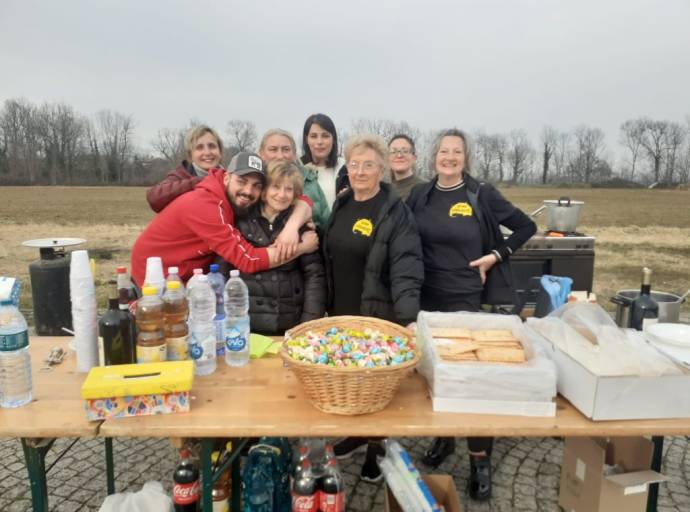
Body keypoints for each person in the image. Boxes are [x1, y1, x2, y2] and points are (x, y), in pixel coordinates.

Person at [406, 128, 537, 501]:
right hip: (427, 297)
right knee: (433, 371)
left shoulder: (481, 194)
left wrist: (496, 255)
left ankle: (479, 457)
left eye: (456, 152)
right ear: (434, 157)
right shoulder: (420, 195)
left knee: (471, 379)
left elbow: (526, 227)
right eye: (443, 151)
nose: (449, 157)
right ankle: (444, 438)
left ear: (465, 158)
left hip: (466, 297)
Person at [324, 134, 423, 483]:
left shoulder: (396, 212)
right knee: (351, 379)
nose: (360, 171)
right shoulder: (343, 202)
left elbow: (406, 267)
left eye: (368, 165)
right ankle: (356, 435)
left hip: (378, 313)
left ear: (381, 169)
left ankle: (376, 445)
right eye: (354, 164)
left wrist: (409, 318)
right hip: (341, 311)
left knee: (375, 385)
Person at [131, 152, 317, 286]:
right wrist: (302, 248)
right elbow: (249, 259)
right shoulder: (207, 205)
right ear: (227, 178)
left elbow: (303, 200)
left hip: (190, 273)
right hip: (158, 276)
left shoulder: (234, 199)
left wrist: (291, 227)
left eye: (256, 185)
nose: (247, 191)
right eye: (242, 181)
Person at [233, 159, 326, 334]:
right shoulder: (241, 222)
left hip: (290, 320)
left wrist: (308, 325)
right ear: (264, 191)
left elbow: (315, 277)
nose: (282, 194)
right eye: (276, 187)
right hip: (248, 322)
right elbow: (226, 269)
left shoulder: (301, 225)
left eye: (288, 189)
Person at [257, 129, 330, 230]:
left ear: (294, 153)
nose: (280, 156)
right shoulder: (255, 181)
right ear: (261, 153)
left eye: (286, 149)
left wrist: (313, 232)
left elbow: (326, 223)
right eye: (273, 149)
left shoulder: (309, 179)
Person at [146, 125, 224, 213]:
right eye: (199, 147)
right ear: (191, 155)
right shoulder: (181, 175)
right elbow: (154, 198)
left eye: (212, 146)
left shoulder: (229, 179)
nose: (207, 152)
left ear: (220, 151)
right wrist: (202, 181)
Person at [300, 113, 349, 206]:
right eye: (313, 136)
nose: (319, 142)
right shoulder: (298, 169)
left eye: (325, 136)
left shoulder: (346, 168)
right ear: (306, 139)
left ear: (333, 138)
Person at [388, 134, 424, 200]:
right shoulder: (384, 192)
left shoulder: (425, 190)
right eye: (393, 151)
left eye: (405, 151)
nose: (399, 155)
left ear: (414, 158)